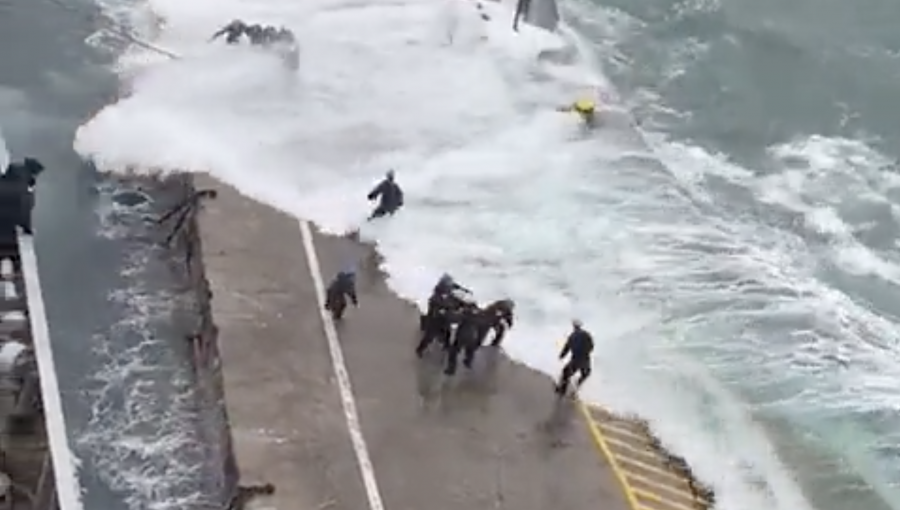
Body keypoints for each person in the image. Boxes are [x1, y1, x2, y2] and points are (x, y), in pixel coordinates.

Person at [443, 292, 482, 375]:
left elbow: (454, 319)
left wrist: (448, 313)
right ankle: (468, 362)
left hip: (462, 336)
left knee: (453, 352)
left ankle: (451, 370)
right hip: (473, 336)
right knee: (470, 351)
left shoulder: (466, 313)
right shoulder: (479, 313)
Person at [555, 319, 594, 396]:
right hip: (585, 359)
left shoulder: (572, 336)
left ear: (573, 327)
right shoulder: (586, 334)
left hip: (576, 360)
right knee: (585, 374)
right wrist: (586, 352)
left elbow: (567, 348)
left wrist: (561, 356)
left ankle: (562, 390)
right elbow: (591, 346)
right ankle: (575, 390)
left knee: (565, 373)